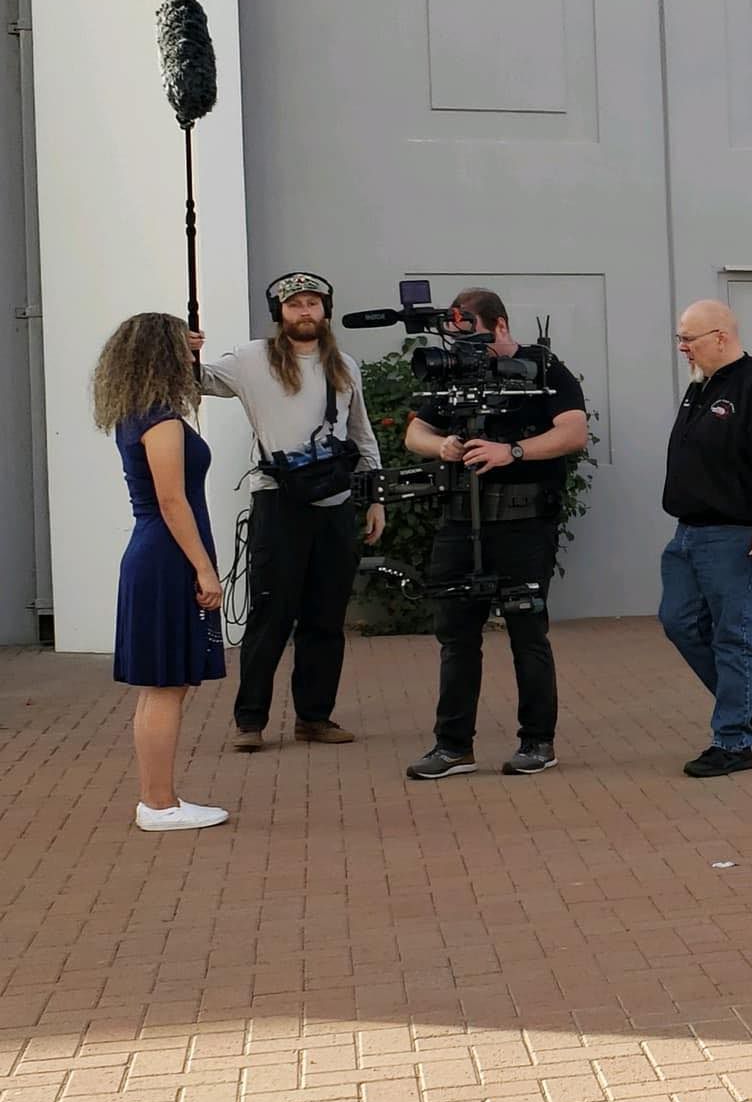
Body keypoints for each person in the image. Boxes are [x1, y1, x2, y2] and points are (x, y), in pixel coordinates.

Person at [401, 289, 588, 780]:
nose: (466, 350)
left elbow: (573, 432)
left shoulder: (543, 368)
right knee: (456, 637)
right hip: (460, 521)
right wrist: (442, 445)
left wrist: (513, 452)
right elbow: (414, 433)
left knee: (527, 632)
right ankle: (452, 747)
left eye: (474, 338)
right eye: (457, 339)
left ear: (500, 325)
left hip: (524, 522)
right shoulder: (452, 374)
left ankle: (537, 741)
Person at [193, 273, 384, 752]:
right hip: (278, 502)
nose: (304, 311)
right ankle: (250, 721)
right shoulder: (252, 359)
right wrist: (186, 350)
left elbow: (361, 434)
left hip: (335, 505)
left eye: (313, 303)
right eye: (295, 303)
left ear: (326, 310)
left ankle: (314, 718)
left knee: (326, 617)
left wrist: (376, 496)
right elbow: (198, 382)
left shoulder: (344, 366)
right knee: (270, 614)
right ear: (279, 312)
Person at [94, 313, 231, 832]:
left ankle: (158, 800)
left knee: (163, 684)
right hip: (167, 556)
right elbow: (173, 501)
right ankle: (158, 804)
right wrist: (205, 569)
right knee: (165, 684)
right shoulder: (160, 419)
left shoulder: (137, 413)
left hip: (156, 553)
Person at [660, 300, 752, 777]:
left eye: (689, 339)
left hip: (735, 535)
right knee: (679, 621)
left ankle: (733, 742)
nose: (682, 347)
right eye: (680, 338)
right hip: (688, 533)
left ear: (720, 336)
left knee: (733, 635)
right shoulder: (702, 385)